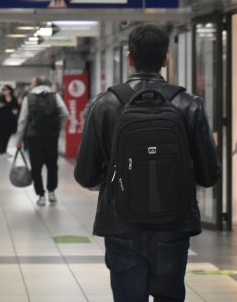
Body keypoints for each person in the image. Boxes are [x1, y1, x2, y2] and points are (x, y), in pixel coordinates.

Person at [75, 24, 220, 302]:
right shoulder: (189, 104)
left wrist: (118, 179)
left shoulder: (103, 104)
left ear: (129, 58)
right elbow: (208, 175)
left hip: (121, 223)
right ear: (166, 58)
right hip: (174, 222)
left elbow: (85, 175)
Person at [16, 77, 69, 206]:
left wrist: (19, 139)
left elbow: (22, 120)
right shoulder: (55, 96)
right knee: (52, 166)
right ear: (47, 84)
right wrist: (58, 127)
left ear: (36, 85)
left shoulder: (29, 97)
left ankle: (41, 195)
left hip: (34, 137)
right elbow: (65, 113)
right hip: (51, 137)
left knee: (36, 167)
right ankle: (52, 192)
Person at [0, 85, 20, 156]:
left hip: (10, 121)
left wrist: (16, 111)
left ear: (9, 91)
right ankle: (1, 151)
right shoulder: (0, 98)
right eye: (3, 90)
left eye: (5, 89)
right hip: (1, 121)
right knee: (0, 137)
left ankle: (4, 150)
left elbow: (17, 108)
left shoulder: (14, 99)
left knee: (7, 136)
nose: (4, 91)